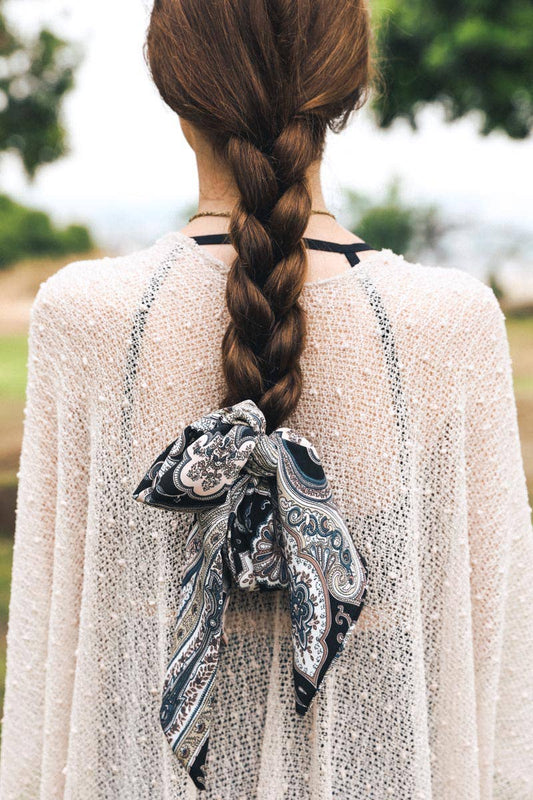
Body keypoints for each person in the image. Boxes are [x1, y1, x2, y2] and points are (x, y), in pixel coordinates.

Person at [1, 0, 532, 797]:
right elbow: (493, 673)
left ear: (176, 95)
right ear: (347, 95)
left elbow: (51, 657)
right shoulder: (448, 327)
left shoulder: (86, 319)